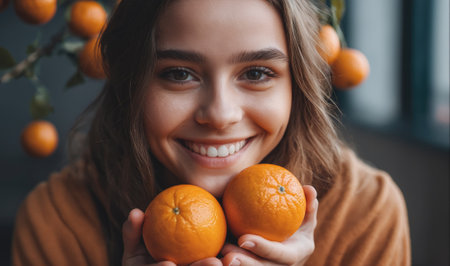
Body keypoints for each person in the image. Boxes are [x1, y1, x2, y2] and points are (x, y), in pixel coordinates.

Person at [11, 0, 411, 265]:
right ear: (130, 86)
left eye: (256, 73)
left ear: (298, 86)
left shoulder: (366, 212)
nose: (220, 114)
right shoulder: (58, 222)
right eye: (179, 74)